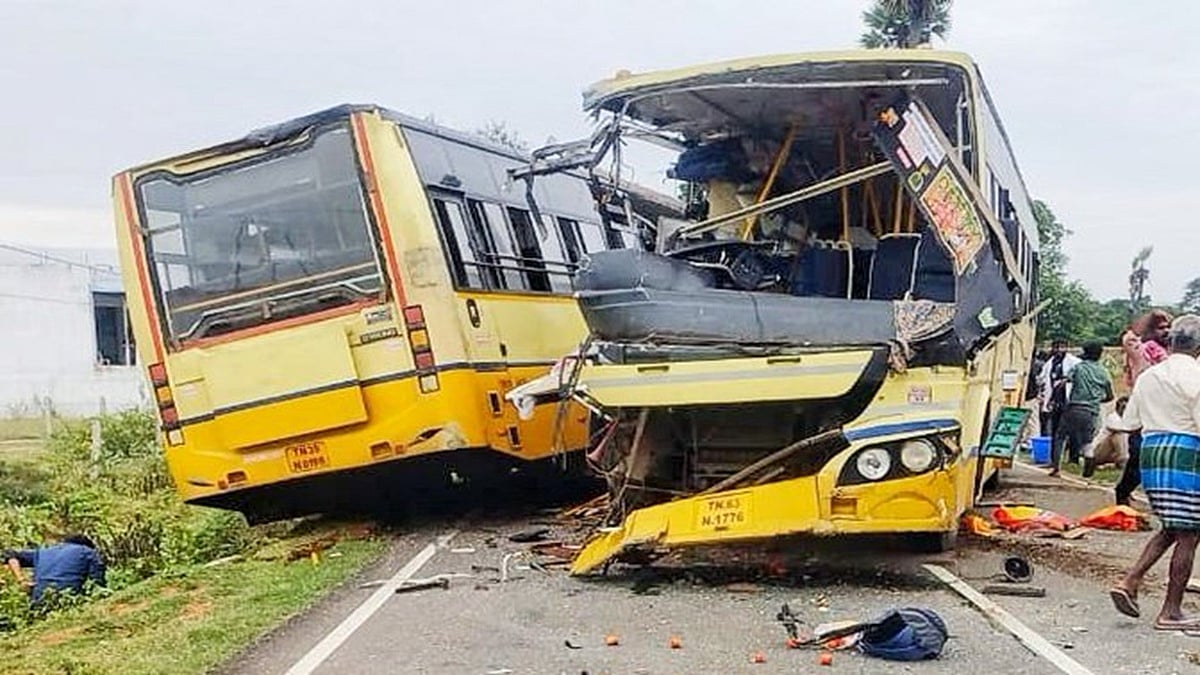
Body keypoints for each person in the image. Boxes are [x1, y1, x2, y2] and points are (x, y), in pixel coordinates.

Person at [1108, 315, 1200, 630]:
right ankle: (1170, 611)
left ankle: (1129, 582)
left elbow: (1129, 423)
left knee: (1172, 527)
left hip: (1151, 453)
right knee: (1189, 533)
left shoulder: (1149, 376)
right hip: (1185, 453)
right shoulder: (1197, 376)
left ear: (1170, 342)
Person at [1115, 310, 1173, 505]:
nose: (1165, 331)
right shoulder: (1146, 349)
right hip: (1146, 409)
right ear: (1151, 330)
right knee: (1139, 457)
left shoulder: (1169, 350)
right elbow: (1129, 340)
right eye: (1160, 328)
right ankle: (1122, 492)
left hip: (1164, 411)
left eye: (1168, 328)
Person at [1050, 342, 1113, 477]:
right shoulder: (1104, 372)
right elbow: (1109, 396)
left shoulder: (1078, 368)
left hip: (1074, 408)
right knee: (1087, 441)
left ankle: (1056, 469)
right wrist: (1097, 400)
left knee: (1060, 436)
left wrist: (1054, 397)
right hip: (1091, 411)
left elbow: (1063, 382)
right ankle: (1089, 461)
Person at [4, 534, 106, 605]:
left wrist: (21, 580)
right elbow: (97, 583)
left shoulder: (43, 552)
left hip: (38, 599)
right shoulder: (88, 552)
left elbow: (10, 554)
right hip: (68, 599)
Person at [1040, 339, 1080, 464]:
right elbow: (1043, 380)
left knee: (1073, 431)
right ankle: (1054, 460)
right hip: (1056, 402)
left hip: (1070, 401)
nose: (1059, 350)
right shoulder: (1050, 363)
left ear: (1067, 348)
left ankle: (1073, 458)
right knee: (1055, 431)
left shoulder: (1075, 362)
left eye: (1062, 347)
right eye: (1057, 347)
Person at [1085, 396, 1131, 477]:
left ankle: (1121, 461)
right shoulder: (1112, 417)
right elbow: (1118, 429)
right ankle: (1122, 461)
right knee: (1117, 436)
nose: (1125, 410)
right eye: (1123, 407)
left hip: (1114, 453)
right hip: (1099, 451)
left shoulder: (1128, 420)